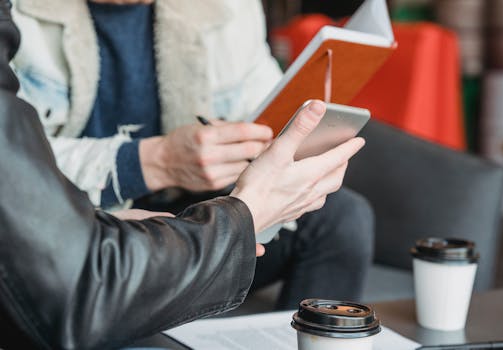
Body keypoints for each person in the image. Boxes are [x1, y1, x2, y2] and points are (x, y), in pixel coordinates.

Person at [0, 2, 366, 348]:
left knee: (340, 217)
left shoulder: (229, 7)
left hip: (191, 208)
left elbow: (265, 107)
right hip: (86, 218)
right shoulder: (19, 15)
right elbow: (19, 173)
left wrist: (274, 155)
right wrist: (152, 161)